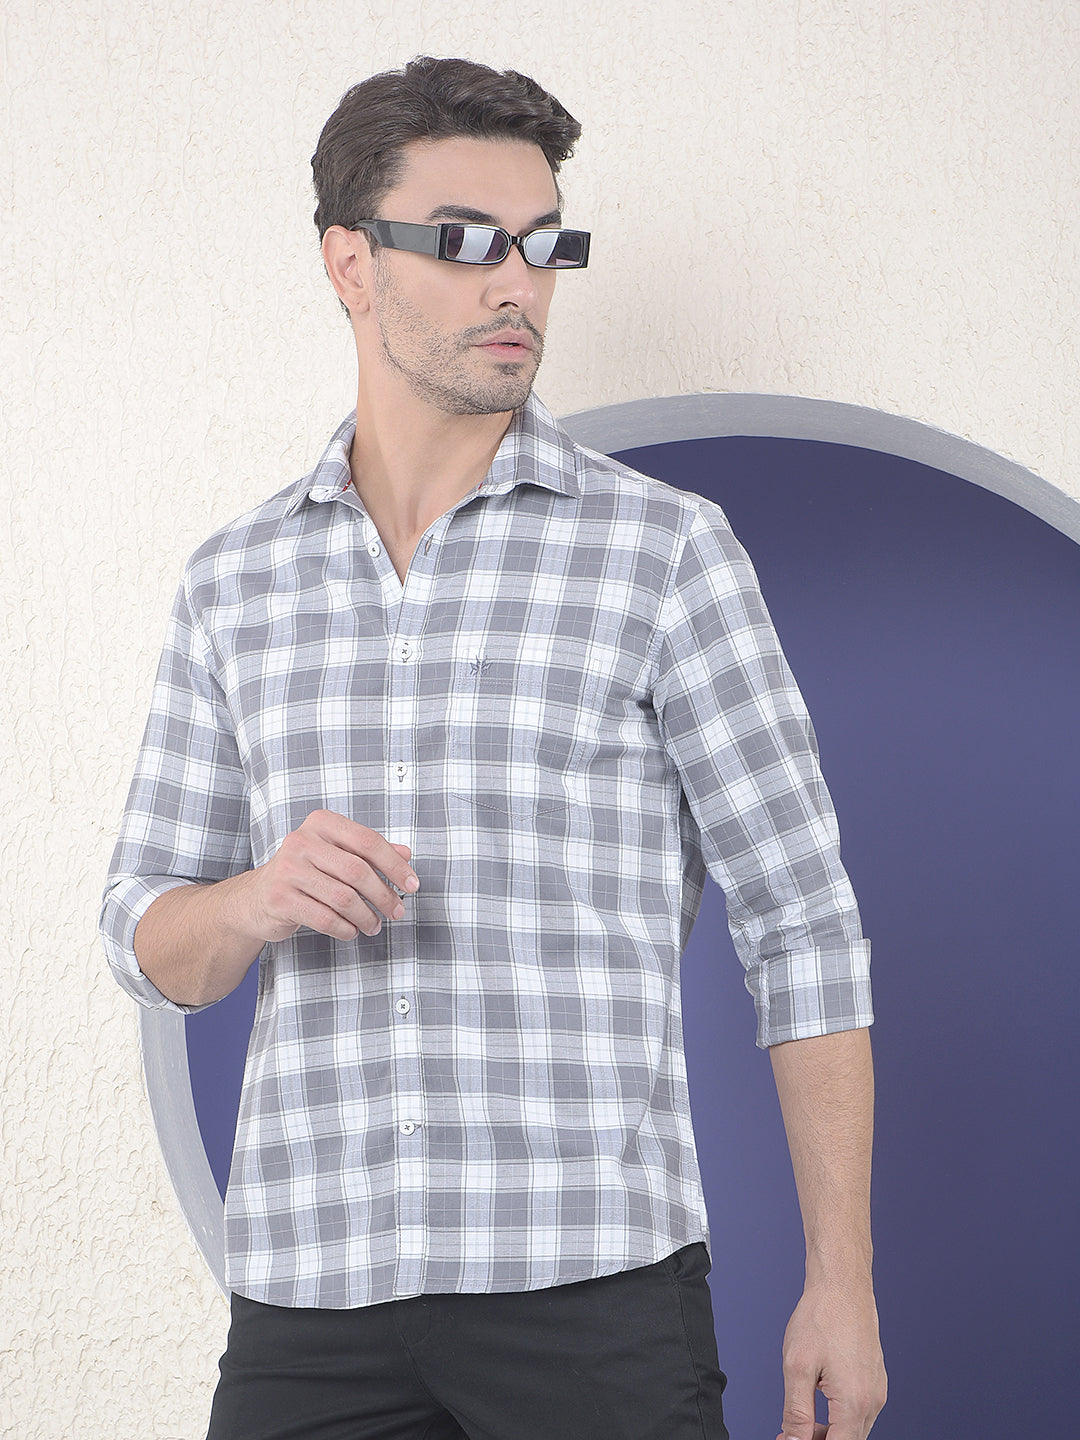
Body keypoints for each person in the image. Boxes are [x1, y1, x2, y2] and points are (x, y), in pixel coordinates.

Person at [101, 55, 886, 1440]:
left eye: (543, 245)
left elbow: (803, 924)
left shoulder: (665, 553)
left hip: (594, 1302)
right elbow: (147, 937)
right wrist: (253, 899)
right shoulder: (235, 584)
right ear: (350, 263)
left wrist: (842, 1283)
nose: (516, 285)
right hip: (308, 1303)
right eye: (465, 242)